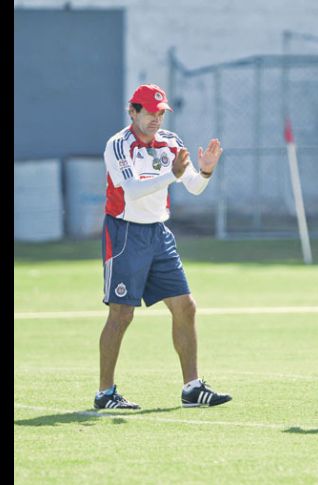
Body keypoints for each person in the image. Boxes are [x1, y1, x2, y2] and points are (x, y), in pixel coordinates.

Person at [94, 84, 231, 410]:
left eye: (160, 112)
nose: (156, 118)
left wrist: (207, 170)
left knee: (186, 306)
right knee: (121, 314)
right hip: (125, 233)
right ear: (133, 112)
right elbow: (131, 191)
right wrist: (171, 175)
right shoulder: (118, 145)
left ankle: (192, 388)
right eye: (149, 112)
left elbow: (194, 186)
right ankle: (105, 393)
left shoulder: (171, 142)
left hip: (158, 233)